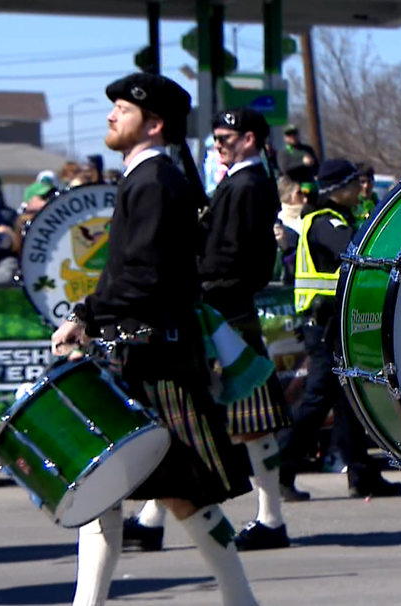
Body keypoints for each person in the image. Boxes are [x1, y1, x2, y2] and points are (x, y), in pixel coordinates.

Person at [50, 72, 258, 606]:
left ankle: (242, 600)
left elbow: (143, 276)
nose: (111, 116)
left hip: (157, 357)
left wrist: (84, 314)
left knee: (185, 494)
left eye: (123, 108)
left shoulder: (155, 181)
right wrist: (91, 316)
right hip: (137, 352)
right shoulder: (145, 178)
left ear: (155, 123)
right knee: (102, 494)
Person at [121, 107, 296, 553]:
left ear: (252, 139)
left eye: (227, 137)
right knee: (187, 417)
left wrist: (191, 277)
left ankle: (271, 518)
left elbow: (231, 256)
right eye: (216, 137)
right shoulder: (241, 183)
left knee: (250, 421)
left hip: (224, 310)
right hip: (220, 306)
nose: (219, 143)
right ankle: (151, 519)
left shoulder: (246, 185)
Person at [277, 158, 401, 500]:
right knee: (318, 400)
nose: (361, 189)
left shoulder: (337, 218)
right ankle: (282, 471)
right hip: (324, 325)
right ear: (339, 189)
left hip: (334, 323)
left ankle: (361, 475)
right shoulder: (326, 221)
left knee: (349, 400)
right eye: (355, 183)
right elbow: (355, 251)